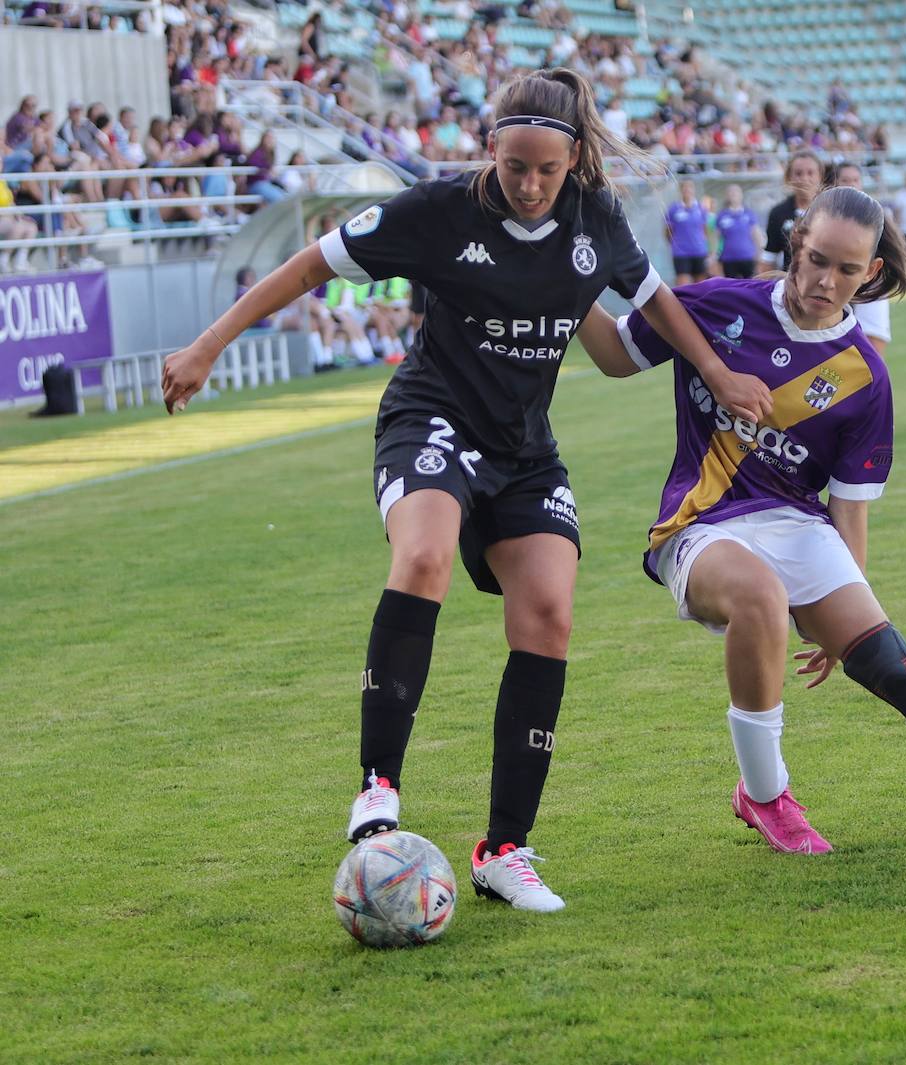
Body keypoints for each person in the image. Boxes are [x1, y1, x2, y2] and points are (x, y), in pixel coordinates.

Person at [161, 67, 771, 913]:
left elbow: (656, 301)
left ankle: (505, 849)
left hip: (523, 449)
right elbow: (309, 266)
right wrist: (206, 346)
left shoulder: (594, 220)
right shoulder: (437, 212)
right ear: (490, 149)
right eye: (513, 165)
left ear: (573, 162)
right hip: (432, 420)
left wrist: (719, 370)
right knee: (424, 555)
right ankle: (378, 786)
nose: (527, 185)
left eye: (544, 171)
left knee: (551, 613)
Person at [572, 186, 906, 852]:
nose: (826, 279)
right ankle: (766, 797)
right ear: (796, 243)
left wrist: (846, 606)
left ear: (870, 272)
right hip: (701, 524)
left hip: (798, 524)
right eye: (817, 259)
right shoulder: (719, 304)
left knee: (885, 661)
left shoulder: (865, 376)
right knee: (760, 597)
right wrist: (566, 281)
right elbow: (615, 355)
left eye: (847, 269)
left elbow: (847, 504)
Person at [833, 161, 893, 356]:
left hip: (869, 287)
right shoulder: (824, 216)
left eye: (855, 180)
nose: (851, 184)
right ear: (835, 183)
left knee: (871, 354)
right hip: (832, 288)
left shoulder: (877, 215)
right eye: (845, 180)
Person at [760, 150, 822, 274]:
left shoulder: (832, 210)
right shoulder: (778, 213)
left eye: (810, 173)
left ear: (820, 176)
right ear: (788, 178)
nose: (805, 178)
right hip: (791, 285)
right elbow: (769, 258)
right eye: (798, 173)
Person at [665, 177, 710, 284]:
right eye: (684, 187)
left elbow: (705, 230)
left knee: (700, 286)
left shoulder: (701, 208)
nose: (687, 190)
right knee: (683, 286)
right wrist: (676, 245)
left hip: (699, 252)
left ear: (694, 189)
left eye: (690, 187)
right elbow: (668, 232)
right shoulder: (673, 209)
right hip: (681, 253)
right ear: (680, 190)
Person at [714, 183, 762, 279]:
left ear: (741, 195)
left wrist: (759, 253)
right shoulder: (722, 215)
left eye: (736, 192)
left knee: (750, 285)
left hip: (748, 257)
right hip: (728, 258)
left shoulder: (749, 214)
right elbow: (716, 238)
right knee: (731, 287)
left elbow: (756, 234)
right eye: (731, 192)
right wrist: (714, 255)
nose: (733, 194)